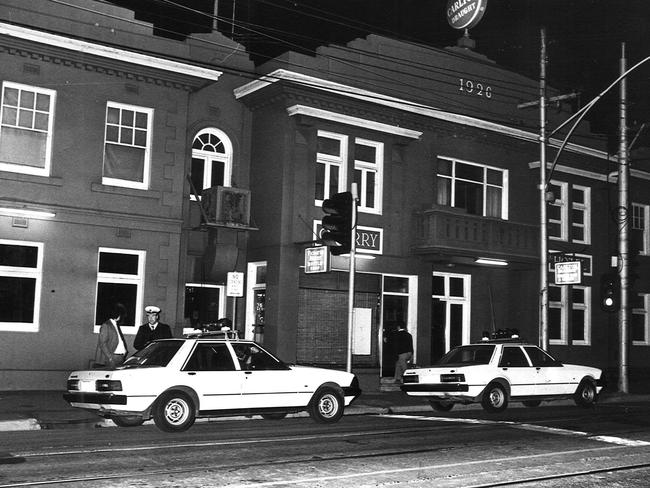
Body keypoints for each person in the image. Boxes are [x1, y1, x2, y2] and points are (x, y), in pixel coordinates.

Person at [95, 303, 129, 369]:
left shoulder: (115, 325)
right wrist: (110, 358)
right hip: (113, 358)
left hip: (120, 357)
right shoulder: (106, 325)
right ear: (118, 315)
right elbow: (102, 343)